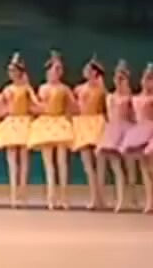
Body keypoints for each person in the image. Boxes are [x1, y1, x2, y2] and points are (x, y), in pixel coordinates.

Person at [27, 51, 75, 211]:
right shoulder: (43, 88)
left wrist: (68, 116)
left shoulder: (64, 89)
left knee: (62, 162)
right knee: (48, 163)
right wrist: (38, 108)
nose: (57, 72)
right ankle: (51, 197)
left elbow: (73, 106)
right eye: (54, 69)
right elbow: (37, 105)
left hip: (60, 123)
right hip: (46, 123)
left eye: (59, 69)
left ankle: (64, 197)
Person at [0, 52, 37, 208]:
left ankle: (22, 192)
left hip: (24, 122)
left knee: (24, 159)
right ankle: (13, 193)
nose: (11, 73)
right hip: (11, 123)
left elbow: (35, 102)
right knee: (12, 160)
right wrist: (2, 111)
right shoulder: (7, 89)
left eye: (13, 70)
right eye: (9, 71)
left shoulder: (26, 88)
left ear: (19, 72)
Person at [98, 60, 135, 213]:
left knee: (130, 167)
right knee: (116, 167)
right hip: (112, 130)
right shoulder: (110, 97)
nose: (118, 82)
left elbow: (132, 115)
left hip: (126, 130)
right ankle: (119, 199)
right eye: (117, 78)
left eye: (122, 79)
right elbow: (108, 114)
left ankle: (131, 197)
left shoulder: (129, 97)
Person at [71, 56, 107, 210]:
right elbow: (75, 106)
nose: (85, 71)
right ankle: (93, 197)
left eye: (88, 69)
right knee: (87, 164)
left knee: (100, 163)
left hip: (97, 122)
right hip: (83, 123)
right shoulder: (79, 89)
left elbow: (106, 105)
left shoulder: (101, 89)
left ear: (95, 73)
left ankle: (101, 198)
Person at [122, 63, 153, 214]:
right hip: (140, 130)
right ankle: (149, 201)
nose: (147, 83)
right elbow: (132, 116)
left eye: (150, 80)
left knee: (151, 167)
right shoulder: (135, 98)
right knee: (144, 168)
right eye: (146, 79)